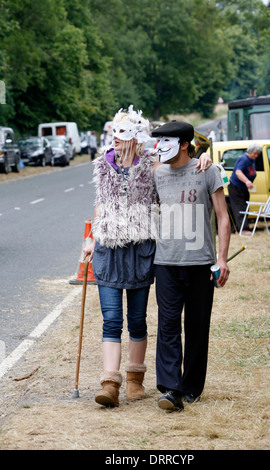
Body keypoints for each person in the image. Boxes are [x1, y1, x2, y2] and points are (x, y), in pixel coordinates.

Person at [83, 107, 213, 408]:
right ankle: (110, 383)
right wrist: (89, 239)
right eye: (112, 132)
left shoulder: (151, 166)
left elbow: (180, 168)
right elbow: (100, 204)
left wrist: (205, 158)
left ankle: (134, 380)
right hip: (109, 250)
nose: (115, 138)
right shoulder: (102, 165)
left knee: (137, 320)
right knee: (111, 320)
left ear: (135, 138)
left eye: (122, 133)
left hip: (141, 251)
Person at [151, 120, 231, 412]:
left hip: (200, 263)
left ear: (184, 144)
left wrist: (221, 259)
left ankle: (191, 387)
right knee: (168, 325)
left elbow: (223, 217)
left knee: (197, 327)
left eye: (166, 141)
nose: (159, 146)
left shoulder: (207, 171)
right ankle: (171, 389)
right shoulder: (157, 174)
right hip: (166, 263)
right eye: (157, 141)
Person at [228, 143, 262, 235]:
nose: (256, 155)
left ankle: (239, 228)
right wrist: (247, 181)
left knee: (245, 207)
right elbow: (238, 172)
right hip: (236, 187)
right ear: (250, 152)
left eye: (257, 154)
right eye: (255, 153)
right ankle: (243, 230)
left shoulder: (252, 160)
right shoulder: (244, 159)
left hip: (243, 188)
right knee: (240, 207)